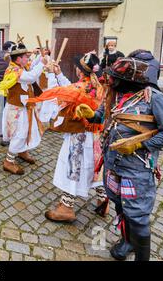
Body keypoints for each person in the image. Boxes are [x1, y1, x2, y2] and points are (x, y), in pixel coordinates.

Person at [78, 56, 163, 261]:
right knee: (121, 206)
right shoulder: (114, 95)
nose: (110, 81)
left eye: (114, 78)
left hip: (136, 171)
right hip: (113, 166)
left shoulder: (153, 98)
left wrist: (140, 144)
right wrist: (90, 115)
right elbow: (101, 117)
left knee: (138, 217)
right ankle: (127, 241)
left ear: (129, 80)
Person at [29, 53, 109, 223]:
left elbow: (59, 96)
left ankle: (66, 208)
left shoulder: (81, 88)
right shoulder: (99, 87)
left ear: (80, 72)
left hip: (79, 136)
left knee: (73, 168)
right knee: (94, 167)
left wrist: (51, 75)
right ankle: (104, 201)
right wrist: (58, 74)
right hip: (95, 136)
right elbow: (71, 88)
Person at [0, 43, 45, 175]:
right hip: (16, 109)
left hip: (23, 108)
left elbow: (32, 68)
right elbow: (31, 76)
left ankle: (22, 151)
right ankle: (8, 161)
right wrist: (42, 63)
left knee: (26, 131)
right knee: (19, 134)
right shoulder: (13, 71)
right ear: (18, 59)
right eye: (25, 57)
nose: (28, 59)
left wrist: (41, 57)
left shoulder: (20, 67)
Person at [0, 41, 15, 141]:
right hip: (8, 86)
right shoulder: (9, 57)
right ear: (9, 48)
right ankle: (5, 132)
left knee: (2, 109)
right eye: (13, 48)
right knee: (8, 109)